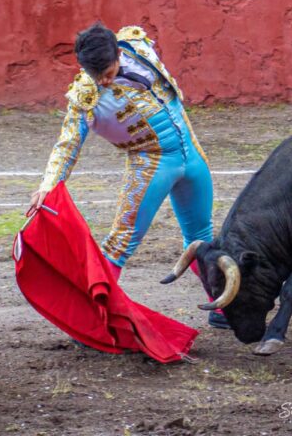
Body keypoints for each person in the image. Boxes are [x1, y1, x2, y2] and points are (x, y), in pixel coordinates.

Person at [27, 22, 229, 329]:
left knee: (201, 235)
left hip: (192, 153)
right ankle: (93, 321)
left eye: (107, 73)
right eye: (98, 77)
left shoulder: (137, 44)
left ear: (118, 53)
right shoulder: (85, 96)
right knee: (120, 243)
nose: (104, 83)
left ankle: (221, 308)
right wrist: (48, 185)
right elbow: (67, 144)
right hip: (151, 164)